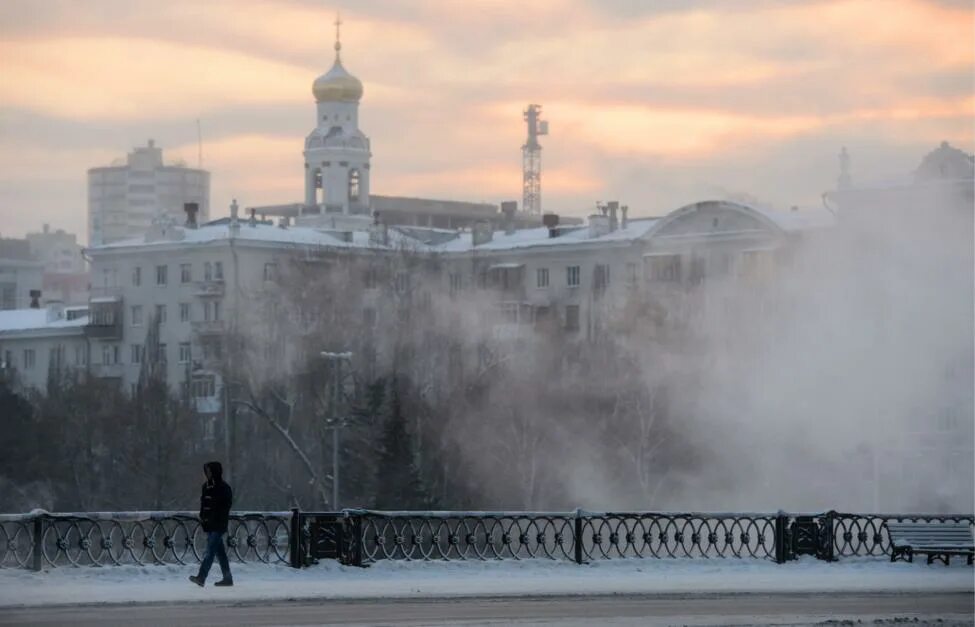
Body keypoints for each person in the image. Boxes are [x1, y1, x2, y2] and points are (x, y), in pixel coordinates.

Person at [189, 461, 234, 587]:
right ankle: (228, 578)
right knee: (220, 553)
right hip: (209, 524)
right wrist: (203, 517)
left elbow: (225, 507)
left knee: (209, 552)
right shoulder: (206, 487)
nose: (207, 474)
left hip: (218, 525)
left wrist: (216, 518)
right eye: (206, 471)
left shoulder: (224, 488)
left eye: (209, 471)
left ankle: (201, 577)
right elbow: (204, 504)